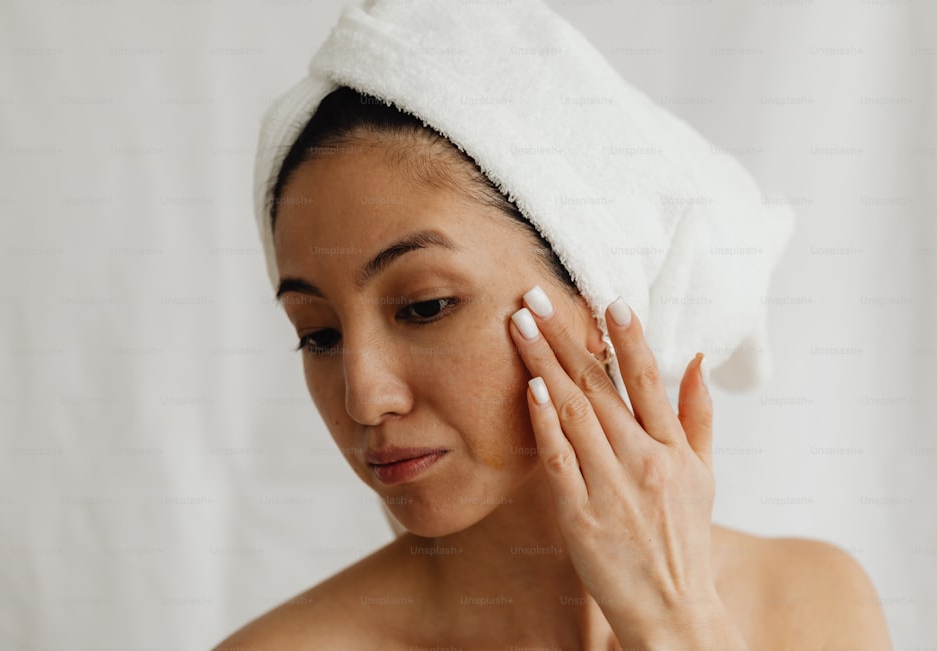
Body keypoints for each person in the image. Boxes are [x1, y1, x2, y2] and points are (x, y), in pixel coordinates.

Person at [213, 86, 892, 650]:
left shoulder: (812, 602)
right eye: (320, 334)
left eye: (426, 306)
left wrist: (675, 621)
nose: (364, 397)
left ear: (594, 302)